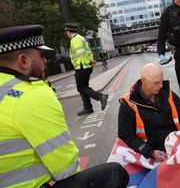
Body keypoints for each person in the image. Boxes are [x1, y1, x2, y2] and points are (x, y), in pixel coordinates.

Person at [0, 25, 129, 188]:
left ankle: (91, 103)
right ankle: (97, 99)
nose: (45, 61)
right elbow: (66, 170)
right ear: (23, 61)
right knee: (114, 172)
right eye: (41, 55)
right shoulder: (30, 94)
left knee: (82, 88)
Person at [118, 63, 180, 162]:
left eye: (161, 81)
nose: (162, 86)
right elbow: (126, 135)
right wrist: (150, 152)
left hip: (174, 144)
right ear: (144, 81)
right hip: (150, 149)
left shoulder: (168, 95)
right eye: (156, 82)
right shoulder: (128, 104)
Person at [64, 23, 108, 116]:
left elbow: (81, 54)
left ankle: (101, 97)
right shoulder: (80, 38)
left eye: (66, 31)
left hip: (82, 67)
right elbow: (86, 52)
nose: (66, 33)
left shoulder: (75, 40)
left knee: (81, 88)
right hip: (85, 67)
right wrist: (90, 61)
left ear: (68, 31)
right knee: (83, 88)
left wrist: (87, 62)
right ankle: (88, 108)